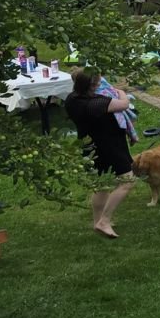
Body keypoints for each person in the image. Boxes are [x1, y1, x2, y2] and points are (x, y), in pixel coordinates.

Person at [67, 68, 135, 238]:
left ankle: (97, 222)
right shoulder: (99, 103)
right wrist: (121, 92)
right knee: (127, 180)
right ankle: (104, 220)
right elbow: (124, 104)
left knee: (102, 185)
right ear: (94, 84)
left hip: (90, 146)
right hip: (110, 146)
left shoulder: (71, 99)